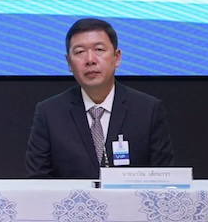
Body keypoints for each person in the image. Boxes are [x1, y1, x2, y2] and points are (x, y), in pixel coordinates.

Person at [24, 17, 175, 178]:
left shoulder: (147, 110)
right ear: (69, 62)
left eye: (99, 49)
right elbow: (38, 179)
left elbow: (165, 178)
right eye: (80, 52)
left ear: (117, 57)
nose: (90, 60)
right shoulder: (50, 113)